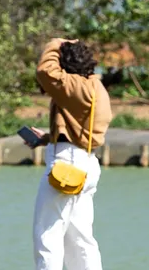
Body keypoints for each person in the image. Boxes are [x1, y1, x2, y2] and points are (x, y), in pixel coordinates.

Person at [27, 39, 113, 270]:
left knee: (47, 234)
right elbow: (81, 129)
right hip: (86, 162)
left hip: (68, 164)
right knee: (80, 239)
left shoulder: (76, 86)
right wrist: (49, 138)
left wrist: (56, 42)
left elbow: (45, 71)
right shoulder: (94, 86)